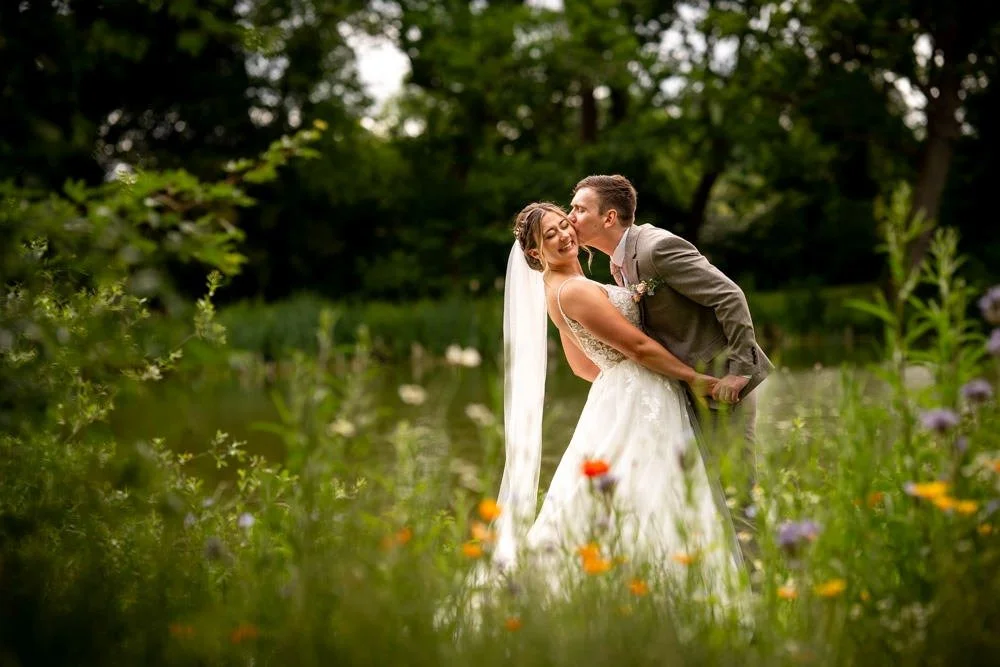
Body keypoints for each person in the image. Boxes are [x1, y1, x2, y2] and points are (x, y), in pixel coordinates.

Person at [493, 202, 745, 605]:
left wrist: (621, 387)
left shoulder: (556, 290)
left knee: (629, 491)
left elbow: (581, 367)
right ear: (535, 252)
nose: (564, 235)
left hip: (621, 395)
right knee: (655, 490)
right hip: (639, 391)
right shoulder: (573, 290)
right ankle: (672, 597)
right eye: (550, 235)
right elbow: (640, 346)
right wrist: (700, 382)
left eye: (564, 224)